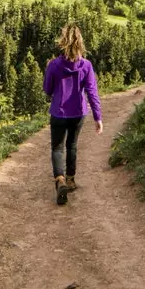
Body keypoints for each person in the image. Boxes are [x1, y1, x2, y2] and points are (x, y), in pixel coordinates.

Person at [42, 23, 103, 206]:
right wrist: (98, 117)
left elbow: (47, 90)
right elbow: (92, 92)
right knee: (72, 145)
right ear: (80, 43)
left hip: (58, 112)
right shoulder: (86, 66)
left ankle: (59, 180)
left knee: (57, 148)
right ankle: (70, 179)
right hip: (78, 112)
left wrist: (51, 77)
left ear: (62, 42)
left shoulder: (54, 65)